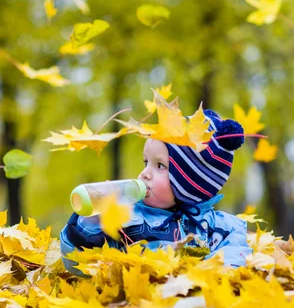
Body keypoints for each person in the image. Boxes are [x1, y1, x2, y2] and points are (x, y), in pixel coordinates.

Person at [60, 109, 252, 276]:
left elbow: (237, 251)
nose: (145, 173)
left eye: (160, 165)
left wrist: (207, 270)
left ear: (190, 182)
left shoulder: (217, 226)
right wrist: (91, 226)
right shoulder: (128, 217)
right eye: (146, 162)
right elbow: (80, 265)